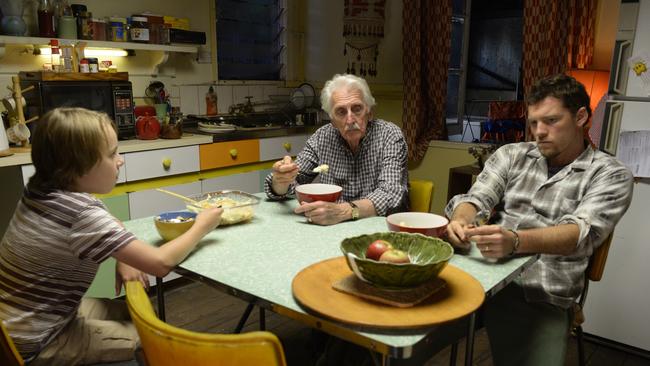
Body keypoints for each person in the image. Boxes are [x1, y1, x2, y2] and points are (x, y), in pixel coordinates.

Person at [0, 108, 223, 365]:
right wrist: (202, 225)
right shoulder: (81, 213)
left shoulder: (40, 192)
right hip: (38, 341)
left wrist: (124, 256)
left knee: (135, 311)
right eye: (112, 154)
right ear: (77, 168)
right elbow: (161, 264)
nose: (120, 160)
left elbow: (110, 226)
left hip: (19, 322)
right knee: (153, 338)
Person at [444, 74, 634, 366]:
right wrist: (461, 219)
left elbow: (578, 234)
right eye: (533, 123)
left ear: (581, 117)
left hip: (540, 293)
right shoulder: (511, 154)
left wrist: (516, 242)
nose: (539, 132)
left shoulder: (611, 174)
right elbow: (477, 199)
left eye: (551, 121)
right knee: (399, 332)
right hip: (477, 274)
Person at [265, 74, 409, 225]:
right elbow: (294, 180)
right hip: (334, 228)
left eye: (357, 109)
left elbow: (390, 195)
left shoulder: (389, 135)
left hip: (382, 229)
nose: (350, 120)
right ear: (332, 120)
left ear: (369, 112)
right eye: (341, 112)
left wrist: (343, 211)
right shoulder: (322, 137)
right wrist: (281, 181)